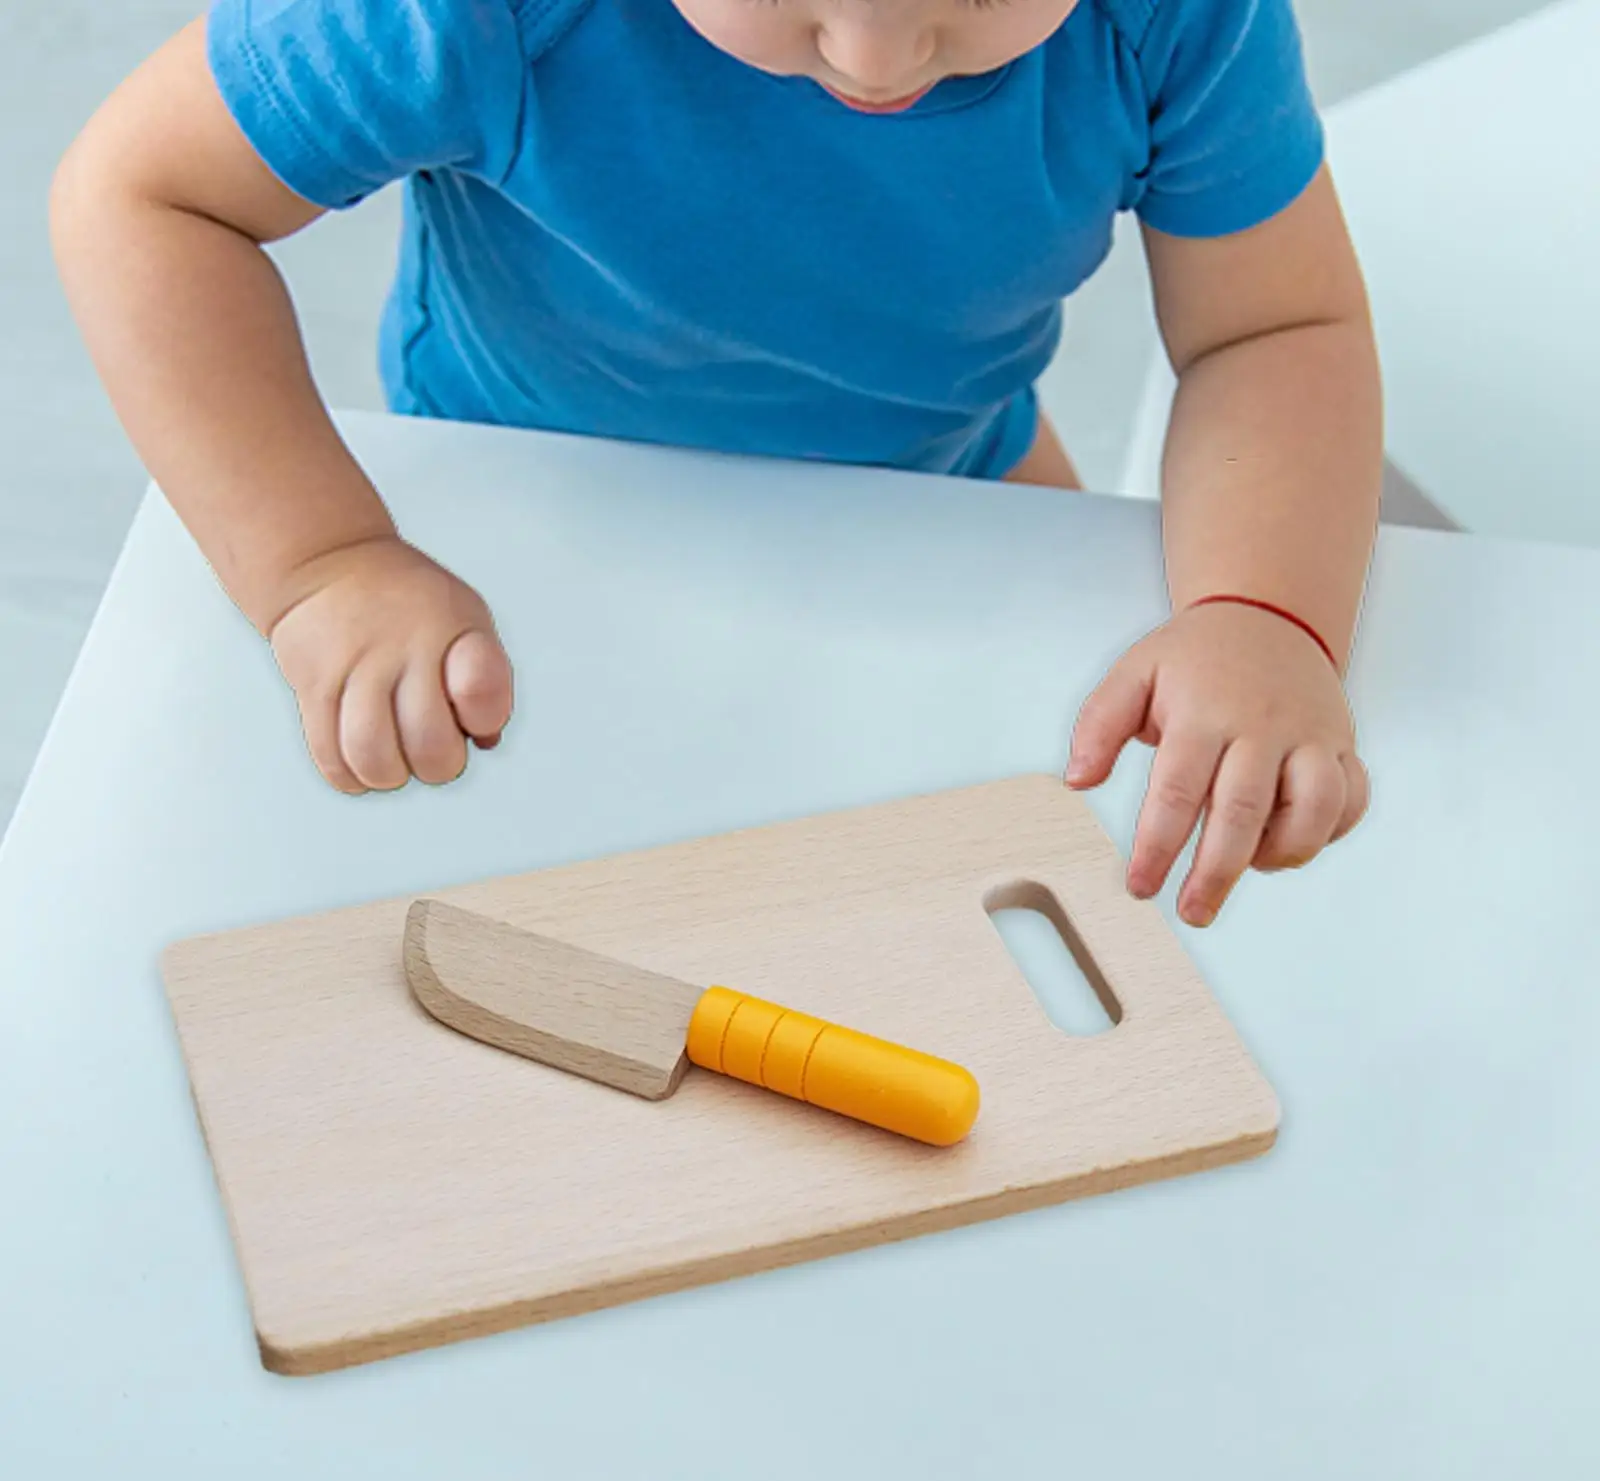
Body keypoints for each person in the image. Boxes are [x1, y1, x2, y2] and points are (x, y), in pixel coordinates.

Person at [51, 0, 1379, 927]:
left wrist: (1258, 614)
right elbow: (141, 198)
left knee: (1037, 852)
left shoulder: (1179, 17)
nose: (875, 56)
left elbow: (1273, 325)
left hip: (942, 485)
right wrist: (319, 562)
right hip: (514, 524)